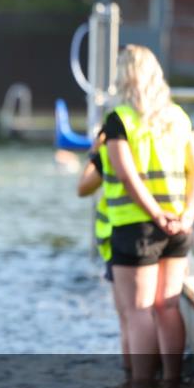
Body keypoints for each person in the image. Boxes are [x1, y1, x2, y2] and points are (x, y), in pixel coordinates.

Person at [100, 45, 194, 386]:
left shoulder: (119, 120)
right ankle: (172, 382)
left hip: (137, 229)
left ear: (123, 76)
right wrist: (187, 215)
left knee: (139, 310)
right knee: (168, 306)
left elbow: (126, 176)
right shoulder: (178, 117)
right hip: (178, 226)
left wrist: (155, 215)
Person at [76, 130, 135, 374]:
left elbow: (83, 187)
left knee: (130, 315)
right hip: (168, 228)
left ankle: (136, 380)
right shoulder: (169, 131)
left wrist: (94, 154)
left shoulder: (115, 144)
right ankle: (164, 380)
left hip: (123, 235)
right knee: (160, 311)